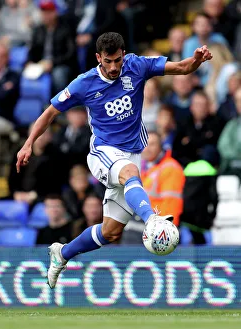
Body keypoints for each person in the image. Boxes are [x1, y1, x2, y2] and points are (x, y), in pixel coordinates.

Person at [16, 32, 213, 289]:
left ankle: (62, 253)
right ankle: (152, 219)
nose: (113, 67)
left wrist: (197, 60)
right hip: (103, 151)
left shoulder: (136, 66)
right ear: (98, 58)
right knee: (129, 172)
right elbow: (50, 112)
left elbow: (183, 67)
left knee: (111, 232)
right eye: (107, 61)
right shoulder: (84, 83)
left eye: (117, 60)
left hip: (131, 153)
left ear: (123, 55)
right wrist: (28, 143)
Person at [141, 131, 185, 227]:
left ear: (161, 146)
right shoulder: (148, 168)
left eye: (152, 144)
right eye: (144, 144)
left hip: (159, 228)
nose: (147, 148)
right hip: (147, 223)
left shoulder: (170, 168)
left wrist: (166, 229)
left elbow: (171, 204)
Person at [0, 39, 20, 167]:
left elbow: (4, 97)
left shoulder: (14, 76)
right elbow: (0, 94)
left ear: (7, 58)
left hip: (4, 119)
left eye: (2, 56)